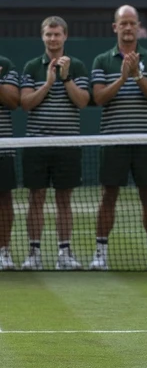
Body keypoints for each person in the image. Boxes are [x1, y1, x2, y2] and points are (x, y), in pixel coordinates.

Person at [88, 5, 147, 271]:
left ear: (138, 27)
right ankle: (100, 254)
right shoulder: (102, 60)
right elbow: (99, 98)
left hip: (144, 139)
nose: (127, 27)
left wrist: (136, 75)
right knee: (108, 196)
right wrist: (123, 78)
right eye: (122, 23)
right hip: (113, 140)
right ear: (115, 27)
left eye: (132, 23)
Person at [19, 16, 90, 269]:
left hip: (67, 144)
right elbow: (25, 103)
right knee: (35, 198)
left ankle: (64, 254)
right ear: (43, 37)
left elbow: (82, 101)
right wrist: (49, 82)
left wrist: (66, 77)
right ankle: (34, 254)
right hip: (36, 144)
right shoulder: (31, 67)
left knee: (64, 200)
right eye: (48, 34)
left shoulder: (78, 66)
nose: (53, 39)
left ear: (65, 37)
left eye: (57, 34)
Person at [0, 52, 19, 270]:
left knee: (4, 200)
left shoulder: (6, 64)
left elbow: (14, 101)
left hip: (2, 146)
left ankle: (3, 252)